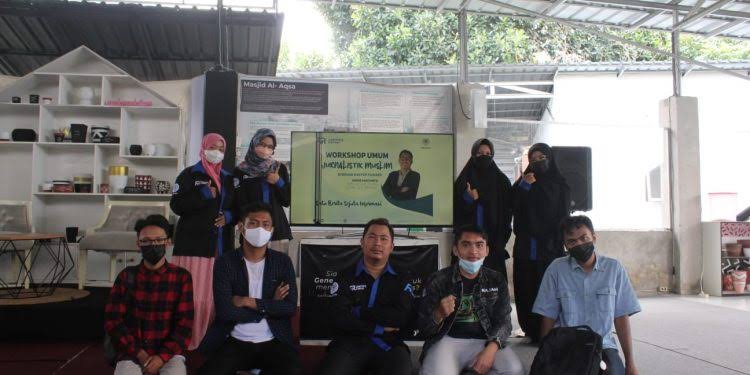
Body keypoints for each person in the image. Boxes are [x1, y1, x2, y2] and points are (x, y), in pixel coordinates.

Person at [198, 203, 299, 375]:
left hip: (273, 340)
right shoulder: (225, 262)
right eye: (253, 223)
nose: (260, 228)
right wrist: (269, 305)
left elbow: (289, 308)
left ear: (272, 230)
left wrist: (248, 301)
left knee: (292, 371)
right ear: (241, 228)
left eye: (265, 224)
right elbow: (225, 311)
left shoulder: (282, 262)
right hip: (234, 339)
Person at [533, 215, 641, 375]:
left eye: (584, 238)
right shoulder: (556, 270)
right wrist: (544, 356)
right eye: (572, 241)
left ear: (594, 238)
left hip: (604, 346)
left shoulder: (614, 269)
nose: (579, 244)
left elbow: (621, 317)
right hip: (566, 345)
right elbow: (548, 317)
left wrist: (630, 363)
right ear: (565, 246)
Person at [419, 224, 523, 375]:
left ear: (486, 250)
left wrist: (492, 348)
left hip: (486, 340)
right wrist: (438, 314)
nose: (473, 251)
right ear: (456, 250)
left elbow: (504, 322)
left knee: (514, 370)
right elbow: (423, 328)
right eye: (466, 245)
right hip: (447, 341)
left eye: (479, 245)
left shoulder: (496, 280)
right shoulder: (438, 280)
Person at [318, 218, 413, 375]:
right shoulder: (345, 277)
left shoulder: (402, 278)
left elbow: (401, 318)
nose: (377, 243)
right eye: (372, 237)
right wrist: (378, 327)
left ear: (392, 247)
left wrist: (359, 312)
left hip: (389, 345)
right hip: (349, 344)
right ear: (362, 242)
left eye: (384, 239)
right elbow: (339, 318)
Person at [104, 215, 193, 375]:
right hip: (132, 353)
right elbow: (113, 321)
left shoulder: (182, 277)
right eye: (146, 241)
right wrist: (140, 354)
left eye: (159, 240)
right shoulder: (126, 276)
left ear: (168, 242)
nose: (153, 245)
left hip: (169, 355)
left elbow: (185, 324)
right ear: (138, 244)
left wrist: (161, 357)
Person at [170, 133, 234, 350]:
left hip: (219, 247)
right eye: (212, 147)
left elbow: (237, 206)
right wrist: (204, 194)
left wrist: (229, 217)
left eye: (221, 149)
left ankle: (210, 340)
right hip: (193, 248)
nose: (216, 152)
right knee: (193, 297)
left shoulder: (227, 177)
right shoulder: (189, 175)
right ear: (203, 147)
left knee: (214, 298)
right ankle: (187, 338)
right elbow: (176, 205)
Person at [511, 142, 571, 343]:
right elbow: (511, 206)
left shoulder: (560, 185)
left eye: (542, 158)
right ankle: (530, 328)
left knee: (550, 288)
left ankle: (551, 330)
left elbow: (564, 215)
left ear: (550, 159)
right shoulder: (524, 183)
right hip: (527, 246)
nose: (538, 162)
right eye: (534, 159)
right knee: (527, 287)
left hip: (550, 246)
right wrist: (525, 186)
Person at [454, 139, 513, 280]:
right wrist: (468, 199)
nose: (484, 156)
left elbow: (508, 212)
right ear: (473, 155)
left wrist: (501, 241)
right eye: (480, 153)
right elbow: (456, 210)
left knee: (493, 287)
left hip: (493, 243)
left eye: (488, 153)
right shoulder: (464, 180)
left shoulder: (502, 181)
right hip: (468, 244)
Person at [234, 128, 292, 243]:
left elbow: (287, 201)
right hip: (251, 228)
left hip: (277, 229)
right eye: (262, 144)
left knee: (278, 260)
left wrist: (278, 182)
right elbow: (238, 202)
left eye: (270, 147)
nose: (265, 149)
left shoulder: (279, 168)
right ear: (254, 143)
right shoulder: (241, 171)